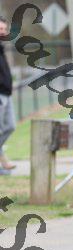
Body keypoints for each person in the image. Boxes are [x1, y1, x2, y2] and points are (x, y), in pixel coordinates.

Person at [0, 16, 16, 174]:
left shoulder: (1, 48)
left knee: (10, 126)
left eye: (4, 29)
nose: (3, 32)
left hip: (6, 94)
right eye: (0, 29)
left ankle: (2, 157)